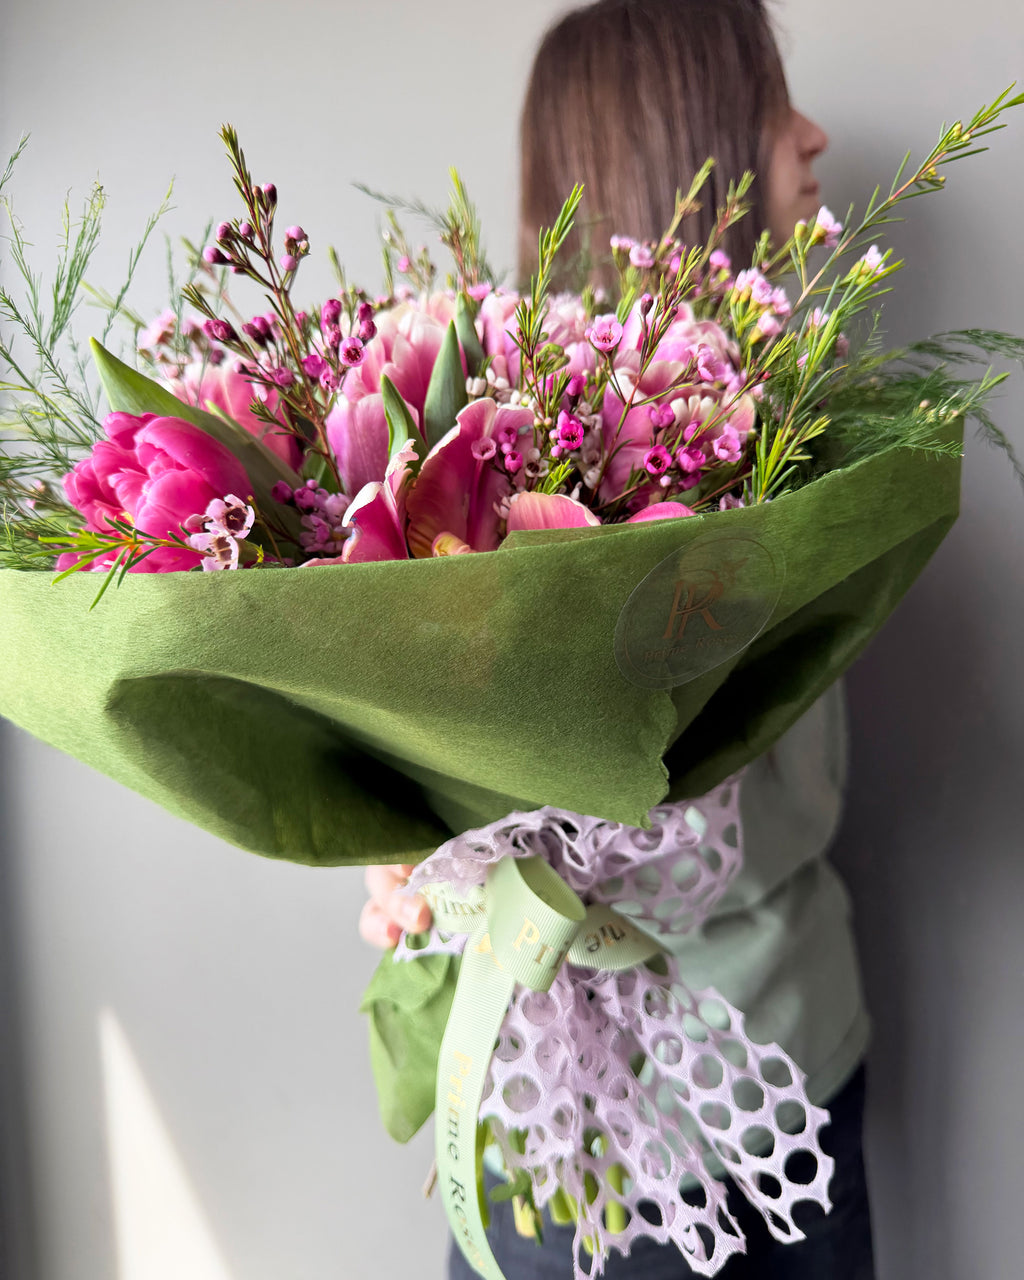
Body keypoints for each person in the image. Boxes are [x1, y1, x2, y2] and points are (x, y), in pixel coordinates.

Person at [361, 3, 876, 1276]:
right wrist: (415, 857)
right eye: (770, 102)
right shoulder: (489, 448)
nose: (811, 135)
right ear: (689, 140)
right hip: (577, 1115)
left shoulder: (796, 427)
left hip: (785, 1064)